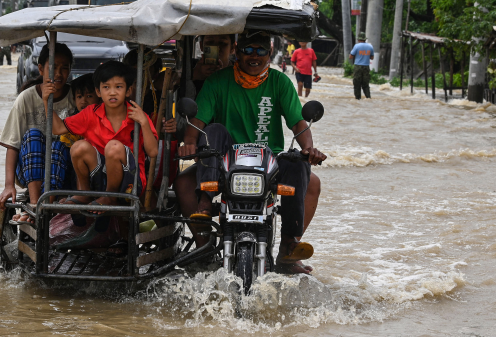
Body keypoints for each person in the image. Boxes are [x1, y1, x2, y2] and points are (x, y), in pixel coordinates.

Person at [175, 31, 327, 274]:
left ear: (270, 54)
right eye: (248, 50)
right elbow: (198, 123)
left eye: (260, 51)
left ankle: (289, 245)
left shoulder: (280, 82)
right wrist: (189, 144)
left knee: (310, 180)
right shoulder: (218, 81)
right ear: (237, 51)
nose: (254, 56)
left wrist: (308, 149)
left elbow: (298, 123)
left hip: (270, 159)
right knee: (184, 181)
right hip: (225, 158)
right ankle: (203, 243)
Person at [42, 61, 159, 211]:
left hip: (131, 183)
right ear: (98, 92)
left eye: (118, 87)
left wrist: (144, 122)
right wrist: (46, 100)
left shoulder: (137, 114)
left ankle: (110, 196)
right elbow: (57, 128)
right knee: (78, 147)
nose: (112, 92)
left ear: (128, 91)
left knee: (114, 147)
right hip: (99, 180)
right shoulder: (90, 113)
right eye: (106, 87)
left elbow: (153, 152)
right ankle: (84, 193)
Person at [0, 43, 76, 221]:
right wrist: (8, 185)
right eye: (53, 68)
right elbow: (13, 144)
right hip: (30, 172)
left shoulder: (75, 97)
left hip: (64, 170)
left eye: (64, 68)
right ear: (41, 69)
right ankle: (35, 205)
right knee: (33, 136)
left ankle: (48, 203)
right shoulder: (26, 98)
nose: (59, 74)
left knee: (59, 143)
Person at [350, 33, 375, 99]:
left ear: (358, 39)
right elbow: (372, 58)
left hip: (358, 66)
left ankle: (358, 98)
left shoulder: (356, 46)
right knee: (365, 84)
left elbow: (351, 56)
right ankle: (368, 97)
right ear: (364, 39)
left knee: (357, 83)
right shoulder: (370, 46)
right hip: (366, 67)